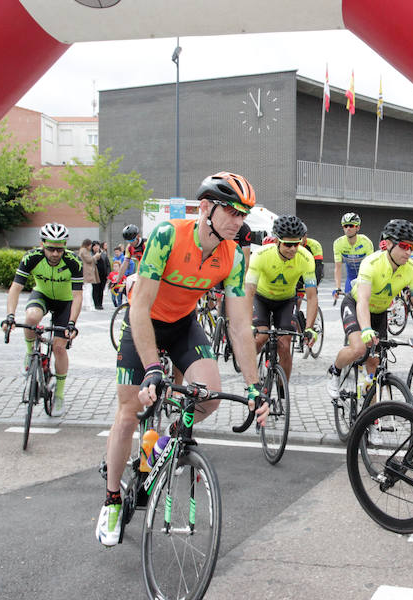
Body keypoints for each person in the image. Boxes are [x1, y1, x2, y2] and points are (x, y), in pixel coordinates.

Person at [96, 172, 267, 547]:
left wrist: (255, 387)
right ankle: (111, 499)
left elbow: (240, 327)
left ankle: (163, 444)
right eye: (233, 212)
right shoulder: (167, 236)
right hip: (144, 321)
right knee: (128, 413)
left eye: (244, 214)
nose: (240, 221)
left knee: (211, 397)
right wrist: (153, 368)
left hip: (182, 325)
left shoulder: (233, 256)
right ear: (205, 208)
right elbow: (139, 307)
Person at [327, 219, 413, 399]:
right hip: (356, 305)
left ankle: (371, 417)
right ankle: (335, 371)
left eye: (411, 247)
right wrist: (366, 329)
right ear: (389, 244)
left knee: (374, 364)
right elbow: (363, 300)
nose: (408, 252)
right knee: (359, 348)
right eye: (404, 246)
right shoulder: (372, 263)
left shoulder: (412, 269)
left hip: (380, 312)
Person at [1, 223, 82, 416]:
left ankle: (59, 394)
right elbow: (15, 288)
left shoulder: (73, 262)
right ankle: (30, 353)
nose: (55, 253)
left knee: (59, 347)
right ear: (42, 244)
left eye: (60, 249)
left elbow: (77, 296)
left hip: (65, 302)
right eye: (51, 248)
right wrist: (10, 316)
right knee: (30, 317)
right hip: (42, 295)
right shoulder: (31, 258)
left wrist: (72, 324)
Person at [246, 215, 318, 380]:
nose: (293, 249)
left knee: (284, 345)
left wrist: (309, 328)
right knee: (260, 337)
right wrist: (246, 322)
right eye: (288, 244)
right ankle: (251, 379)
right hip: (261, 298)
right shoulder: (261, 255)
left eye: (296, 244)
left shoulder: (306, 258)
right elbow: (249, 291)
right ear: (277, 241)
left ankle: (281, 390)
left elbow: (312, 296)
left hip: (285, 301)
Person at [333, 212, 374, 297]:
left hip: (365, 276)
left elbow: (372, 265)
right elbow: (338, 268)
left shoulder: (366, 242)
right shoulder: (338, 243)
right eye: (345, 226)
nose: (348, 228)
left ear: (358, 227)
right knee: (348, 302)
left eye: (351, 226)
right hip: (350, 278)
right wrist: (338, 287)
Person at [78, 239, 100, 310]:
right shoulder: (84, 251)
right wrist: (95, 256)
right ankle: (88, 305)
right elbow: (89, 260)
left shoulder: (82, 250)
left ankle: (85, 305)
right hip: (86, 273)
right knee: (88, 289)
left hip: (85, 273)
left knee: (86, 289)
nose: (91, 247)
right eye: (90, 245)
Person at [91, 240, 109, 310]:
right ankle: (96, 304)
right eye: (95, 246)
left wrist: (108, 274)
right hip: (94, 275)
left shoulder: (103, 254)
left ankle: (100, 304)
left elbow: (107, 265)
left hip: (103, 275)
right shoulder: (91, 255)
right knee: (95, 289)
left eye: (97, 245)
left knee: (101, 289)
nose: (96, 247)